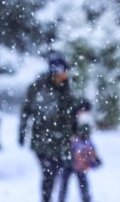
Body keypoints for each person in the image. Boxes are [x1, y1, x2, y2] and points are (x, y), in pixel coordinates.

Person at [18, 52, 79, 202]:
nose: (65, 74)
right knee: (49, 173)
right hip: (43, 141)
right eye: (62, 71)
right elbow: (27, 111)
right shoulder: (39, 87)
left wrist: (77, 131)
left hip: (63, 141)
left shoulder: (68, 88)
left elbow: (74, 111)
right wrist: (22, 132)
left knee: (62, 172)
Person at [59, 99, 101, 202]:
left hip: (78, 158)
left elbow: (87, 142)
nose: (85, 114)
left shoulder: (83, 121)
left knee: (80, 181)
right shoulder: (71, 120)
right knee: (69, 181)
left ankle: (85, 199)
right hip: (71, 157)